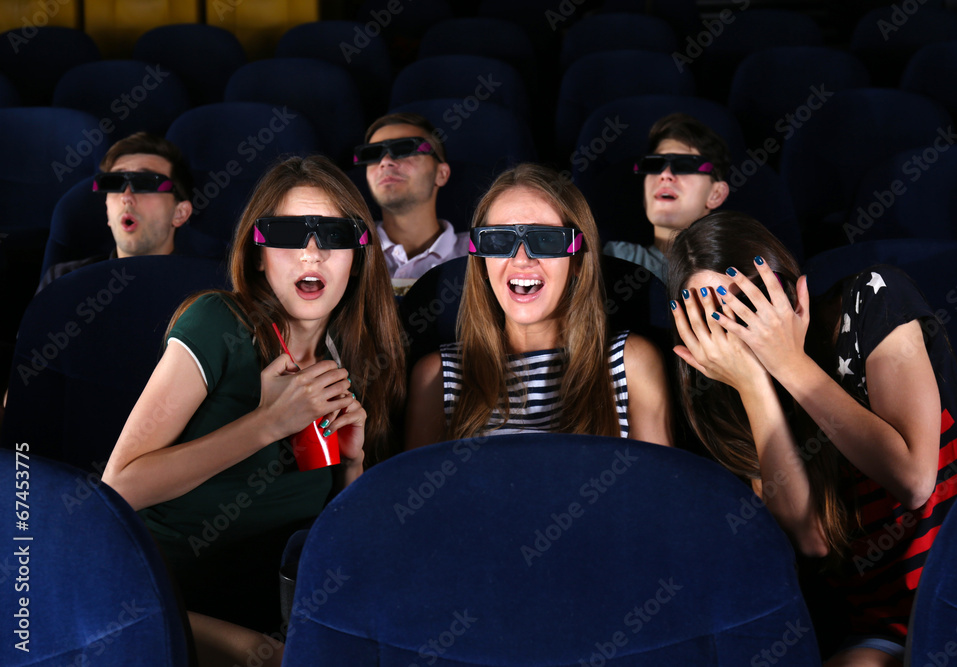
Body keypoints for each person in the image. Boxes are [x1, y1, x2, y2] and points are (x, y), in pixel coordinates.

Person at [101, 155, 407, 664]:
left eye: (332, 236)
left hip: (276, 598)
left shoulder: (350, 359)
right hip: (162, 594)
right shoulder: (217, 324)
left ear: (357, 255)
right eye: (289, 234)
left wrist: (353, 465)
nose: (312, 254)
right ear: (260, 253)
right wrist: (266, 424)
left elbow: (338, 541)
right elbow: (119, 485)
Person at [666, 211, 957, 666]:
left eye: (749, 302)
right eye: (713, 318)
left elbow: (914, 479)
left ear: (788, 289)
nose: (741, 328)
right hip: (886, 627)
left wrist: (787, 362)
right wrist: (754, 387)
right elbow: (813, 538)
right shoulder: (723, 400)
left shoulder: (871, 299)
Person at [405, 163, 672, 448]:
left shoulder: (631, 364)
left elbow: (656, 489)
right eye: (499, 240)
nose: (521, 259)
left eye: (546, 239)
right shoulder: (436, 377)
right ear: (482, 263)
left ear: (578, 261)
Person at [37, 132, 194, 292]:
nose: (126, 197)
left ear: (180, 213)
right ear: (107, 212)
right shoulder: (63, 281)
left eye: (145, 183)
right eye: (114, 183)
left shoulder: (206, 289)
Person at [604, 113, 730, 283]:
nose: (665, 175)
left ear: (716, 194)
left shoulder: (739, 270)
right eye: (654, 164)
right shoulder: (614, 258)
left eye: (685, 165)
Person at [355, 112, 467, 290]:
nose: (385, 162)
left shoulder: (479, 257)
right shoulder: (348, 253)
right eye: (373, 154)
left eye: (404, 149)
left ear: (441, 174)